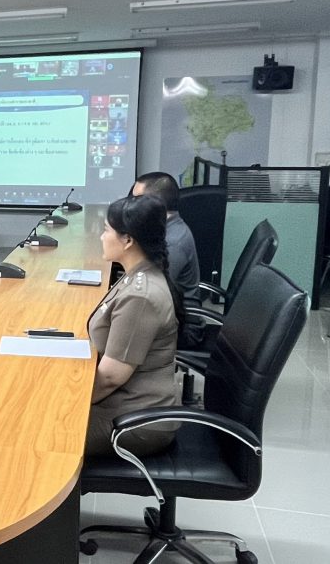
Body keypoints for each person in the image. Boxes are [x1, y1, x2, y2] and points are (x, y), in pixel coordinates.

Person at [87, 195, 184, 457]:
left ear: (128, 240)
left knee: (42, 430)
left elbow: (110, 378)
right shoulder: (138, 274)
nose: (101, 237)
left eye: (106, 230)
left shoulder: (140, 297)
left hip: (137, 419)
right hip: (124, 402)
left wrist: (69, 405)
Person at [132, 171, 203, 347]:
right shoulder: (162, 229)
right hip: (166, 314)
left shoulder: (173, 242)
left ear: (156, 205)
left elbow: (151, 293)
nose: (131, 206)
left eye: (136, 200)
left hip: (183, 327)